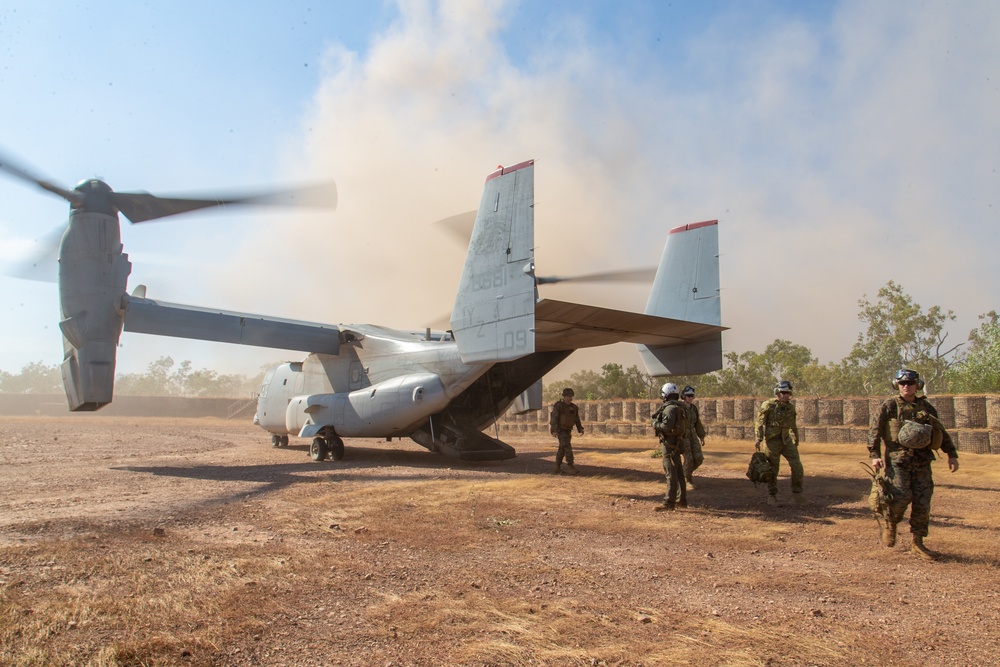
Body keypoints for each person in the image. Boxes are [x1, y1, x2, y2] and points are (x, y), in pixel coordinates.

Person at [868, 369, 959, 560]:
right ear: (897, 385)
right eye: (902, 383)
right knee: (900, 497)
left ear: (918, 385)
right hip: (897, 461)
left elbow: (940, 432)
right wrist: (874, 454)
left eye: (910, 383)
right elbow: (874, 431)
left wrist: (951, 454)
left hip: (922, 462)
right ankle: (891, 523)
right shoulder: (889, 406)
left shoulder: (926, 408)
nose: (906, 386)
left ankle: (918, 542)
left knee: (922, 501)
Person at [753, 380, 804, 506]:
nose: (786, 395)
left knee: (797, 467)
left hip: (786, 441)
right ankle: (772, 496)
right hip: (772, 442)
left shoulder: (790, 408)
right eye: (784, 393)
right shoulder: (768, 405)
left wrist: (796, 439)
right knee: (773, 470)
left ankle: (797, 494)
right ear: (777, 392)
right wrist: (758, 438)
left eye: (788, 393)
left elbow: (793, 425)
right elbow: (759, 423)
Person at [652, 383, 689, 510]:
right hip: (677, 443)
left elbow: (666, 427)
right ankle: (682, 500)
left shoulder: (669, 409)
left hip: (669, 444)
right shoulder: (679, 407)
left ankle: (669, 502)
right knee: (678, 473)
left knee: (671, 474)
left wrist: (656, 424)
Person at [549, 387, 583, 474]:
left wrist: (580, 428)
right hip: (561, 430)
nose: (570, 398)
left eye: (571, 396)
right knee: (567, 448)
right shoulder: (559, 406)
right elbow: (554, 418)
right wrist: (554, 430)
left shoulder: (574, 407)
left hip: (568, 430)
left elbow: (576, 419)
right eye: (568, 396)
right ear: (564, 396)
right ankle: (570, 466)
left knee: (562, 449)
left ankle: (557, 467)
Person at [680, 385, 707, 490]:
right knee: (689, 459)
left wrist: (702, 436)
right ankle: (687, 480)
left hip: (693, 436)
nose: (691, 398)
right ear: (683, 396)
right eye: (689, 396)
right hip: (683, 437)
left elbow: (697, 423)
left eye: (692, 396)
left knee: (699, 458)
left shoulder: (693, 408)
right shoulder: (680, 408)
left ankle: (683, 473)